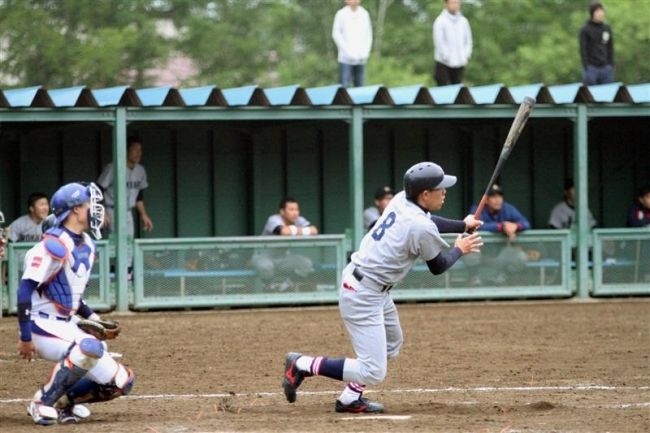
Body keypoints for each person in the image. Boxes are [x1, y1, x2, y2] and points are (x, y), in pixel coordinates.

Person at [282, 162, 482, 413]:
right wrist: (459, 249)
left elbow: (429, 221)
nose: (445, 192)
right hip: (363, 292)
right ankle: (302, 364)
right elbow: (438, 266)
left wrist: (462, 225)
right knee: (374, 371)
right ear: (425, 194)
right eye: (440, 188)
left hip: (372, 288)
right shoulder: (418, 225)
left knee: (392, 343)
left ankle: (349, 399)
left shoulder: (402, 199)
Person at [17, 182, 134, 425]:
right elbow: (24, 291)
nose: (94, 208)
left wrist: (93, 318)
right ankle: (42, 403)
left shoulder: (87, 244)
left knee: (121, 382)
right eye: (88, 204)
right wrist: (25, 336)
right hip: (41, 325)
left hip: (68, 324)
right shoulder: (52, 245)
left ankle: (63, 403)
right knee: (87, 349)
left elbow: (70, 295)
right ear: (75, 211)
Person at [254, 197, 319, 290]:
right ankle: (269, 288)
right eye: (291, 210)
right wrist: (303, 231)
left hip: (283, 258)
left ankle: (285, 286)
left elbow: (314, 230)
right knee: (266, 267)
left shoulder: (299, 220)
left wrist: (293, 230)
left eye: (296, 209)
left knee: (306, 264)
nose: (295, 213)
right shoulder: (273, 219)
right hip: (263, 256)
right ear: (282, 212)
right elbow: (284, 232)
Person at [96, 137, 154, 238]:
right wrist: (102, 211)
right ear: (126, 151)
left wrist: (144, 215)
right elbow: (98, 189)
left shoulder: (140, 170)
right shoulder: (113, 168)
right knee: (118, 242)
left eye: (140, 150)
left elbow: (139, 197)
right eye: (135, 150)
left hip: (128, 212)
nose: (138, 153)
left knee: (129, 242)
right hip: (112, 210)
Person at [332, 0, 373, 88]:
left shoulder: (364, 14)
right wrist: (347, 51)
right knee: (344, 88)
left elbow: (368, 35)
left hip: (361, 59)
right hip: (345, 59)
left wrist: (366, 52)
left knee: (360, 87)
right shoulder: (341, 14)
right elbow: (336, 34)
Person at [432, 0, 472, 86]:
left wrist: (465, 56)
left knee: (457, 90)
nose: (456, 5)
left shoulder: (463, 21)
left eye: (457, 2)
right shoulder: (440, 21)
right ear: (446, 3)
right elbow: (439, 41)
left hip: (460, 62)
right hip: (444, 63)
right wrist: (446, 57)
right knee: (444, 91)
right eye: (453, 2)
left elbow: (468, 40)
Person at [579, 2, 614, 85]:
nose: (601, 14)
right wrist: (586, 66)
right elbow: (583, 49)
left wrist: (611, 65)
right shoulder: (585, 30)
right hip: (591, 68)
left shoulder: (606, 29)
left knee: (607, 94)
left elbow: (610, 48)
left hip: (606, 68)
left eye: (602, 11)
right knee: (591, 94)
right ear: (592, 13)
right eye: (598, 11)